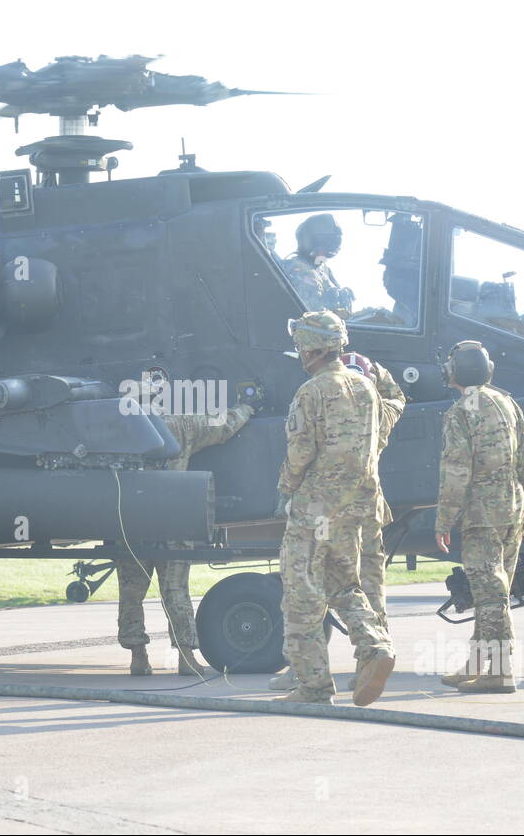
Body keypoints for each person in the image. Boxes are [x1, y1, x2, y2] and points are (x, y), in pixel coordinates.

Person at [274, 311, 397, 706]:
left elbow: (300, 452)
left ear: (308, 349)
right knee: (344, 583)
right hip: (355, 508)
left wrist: (286, 489)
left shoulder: (310, 392)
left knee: (300, 591)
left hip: (315, 510)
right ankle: (375, 646)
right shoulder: (366, 387)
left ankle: (312, 686)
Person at [117, 377, 255, 676]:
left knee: (131, 591)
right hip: (173, 520)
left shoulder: (118, 428)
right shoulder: (181, 425)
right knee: (175, 590)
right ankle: (186, 657)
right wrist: (247, 407)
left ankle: (138, 656)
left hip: (131, 520)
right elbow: (223, 426)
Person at [434, 342, 524, 694]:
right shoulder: (507, 403)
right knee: (493, 588)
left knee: (490, 594)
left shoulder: (462, 411)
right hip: (513, 508)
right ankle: (477, 664)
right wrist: (522, 502)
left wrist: (444, 518)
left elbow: (457, 470)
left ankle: (501, 671)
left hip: (481, 514)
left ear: (454, 373)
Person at [280, 214, 356, 316]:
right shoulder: (296, 270)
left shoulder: (323, 269)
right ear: (310, 241)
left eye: (334, 242)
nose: (330, 248)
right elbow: (309, 313)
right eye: (326, 242)